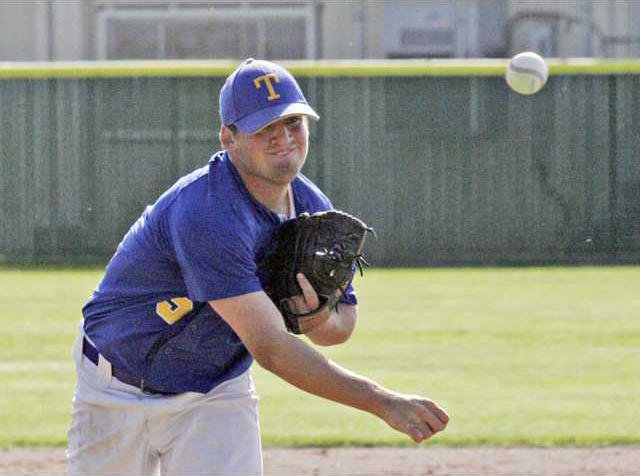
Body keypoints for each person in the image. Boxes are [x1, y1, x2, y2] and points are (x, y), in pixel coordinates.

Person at [66, 58, 449, 476]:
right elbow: (271, 348)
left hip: (214, 389)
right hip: (117, 384)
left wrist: (315, 316)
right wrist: (381, 401)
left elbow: (340, 327)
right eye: (265, 127)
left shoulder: (311, 209)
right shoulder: (207, 212)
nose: (283, 138)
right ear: (228, 137)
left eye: (293, 123)